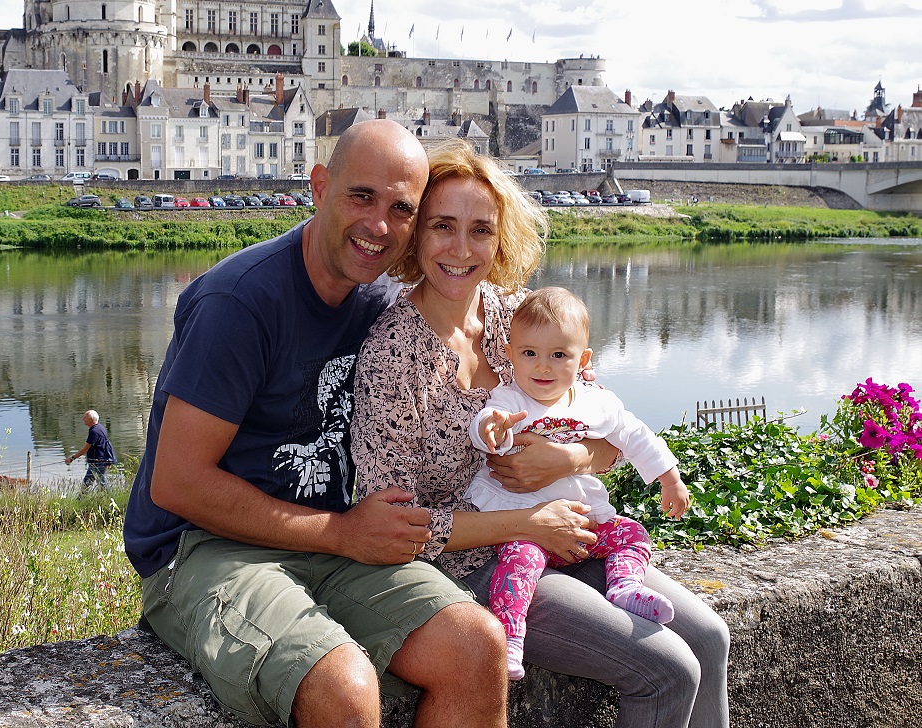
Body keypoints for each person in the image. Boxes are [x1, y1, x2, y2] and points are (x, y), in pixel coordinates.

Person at [123, 120, 509, 728]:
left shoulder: (379, 300)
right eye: (362, 197)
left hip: (327, 540)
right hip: (203, 548)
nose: (379, 225)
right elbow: (176, 483)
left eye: (402, 209)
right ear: (319, 187)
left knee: (477, 646)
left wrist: (563, 420)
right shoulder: (238, 303)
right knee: (344, 690)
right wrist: (342, 534)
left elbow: (488, 323)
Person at [351, 139, 730, 728]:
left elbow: (606, 428)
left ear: (501, 239)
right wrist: (526, 523)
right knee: (667, 669)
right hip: (472, 565)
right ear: (416, 234)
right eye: (443, 226)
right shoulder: (391, 354)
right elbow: (393, 525)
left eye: (481, 230)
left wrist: (570, 458)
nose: (461, 248)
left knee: (709, 636)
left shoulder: (518, 314)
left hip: (564, 534)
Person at [466, 286, 691, 680]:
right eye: (529, 353)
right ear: (510, 354)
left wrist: (669, 478)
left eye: (559, 355)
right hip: (525, 524)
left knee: (632, 534)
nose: (543, 367)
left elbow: (636, 436)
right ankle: (510, 634)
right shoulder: (510, 399)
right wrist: (492, 430)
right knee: (519, 564)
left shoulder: (595, 402)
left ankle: (625, 585)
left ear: (583, 359)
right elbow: (487, 423)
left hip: (584, 523)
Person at [65, 409, 116, 486]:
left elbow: (85, 449)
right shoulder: (100, 427)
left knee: (98, 483)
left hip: (97, 462)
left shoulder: (94, 431)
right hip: (101, 460)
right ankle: (84, 494)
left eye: (85, 417)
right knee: (91, 483)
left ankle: (85, 493)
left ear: (91, 419)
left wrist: (72, 458)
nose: (83, 419)